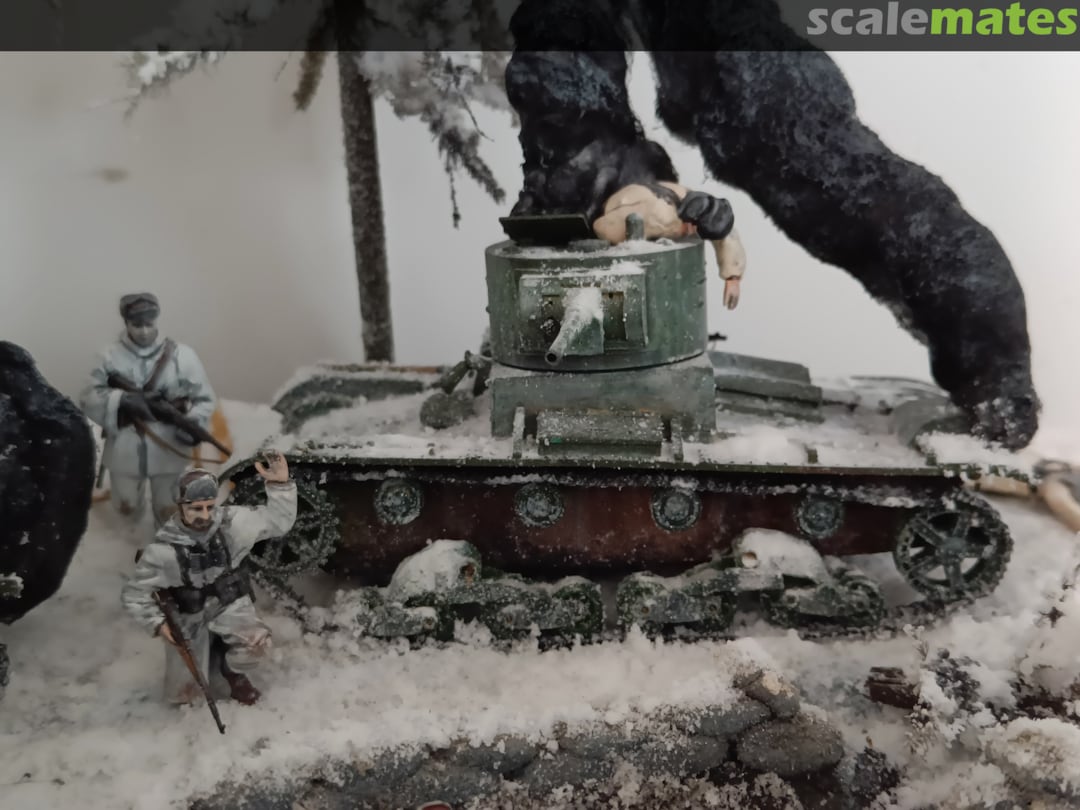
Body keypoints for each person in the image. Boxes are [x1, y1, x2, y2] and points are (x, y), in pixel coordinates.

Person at [120, 453, 297, 706]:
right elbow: (135, 594)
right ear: (181, 506)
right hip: (188, 613)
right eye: (195, 508)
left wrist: (280, 485)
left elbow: (277, 522)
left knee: (257, 644)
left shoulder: (233, 525)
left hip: (229, 602)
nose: (204, 515)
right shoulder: (163, 551)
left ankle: (232, 672)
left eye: (209, 507)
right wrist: (158, 624)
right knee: (185, 693)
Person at [80, 293, 217, 528]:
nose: (143, 331)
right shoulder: (108, 356)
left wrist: (192, 422)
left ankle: (166, 543)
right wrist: (121, 400)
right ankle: (128, 544)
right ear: (126, 322)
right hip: (124, 446)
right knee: (125, 507)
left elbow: (205, 399)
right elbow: (88, 396)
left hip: (170, 446)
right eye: (136, 324)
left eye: (149, 323)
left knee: (169, 509)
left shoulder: (182, 355)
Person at [592, 182, 746, 309]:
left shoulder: (701, 204)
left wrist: (733, 276)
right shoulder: (660, 217)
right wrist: (637, 245)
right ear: (691, 225)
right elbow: (601, 226)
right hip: (616, 210)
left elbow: (724, 230)